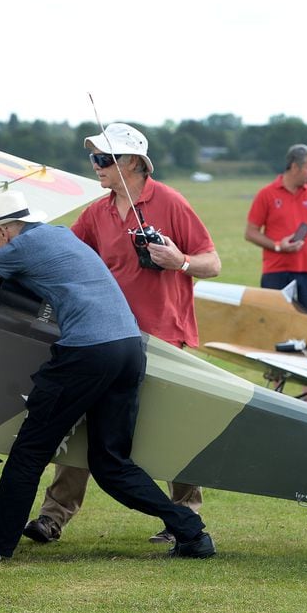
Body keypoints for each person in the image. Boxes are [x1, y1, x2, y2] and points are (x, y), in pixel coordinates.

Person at [0, 191, 215, 562]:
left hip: (86, 353)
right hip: (128, 350)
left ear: (6, 232)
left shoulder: (26, 246)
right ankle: (191, 532)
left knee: (30, 451)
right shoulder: (53, 235)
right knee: (110, 464)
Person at [24, 122, 221, 547]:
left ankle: (184, 516)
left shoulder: (170, 201)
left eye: (104, 159)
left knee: (175, 427)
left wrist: (179, 261)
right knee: (79, 422)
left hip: (166, 336)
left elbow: (213, 263)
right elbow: (67, 256)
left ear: (132, 163)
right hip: (109, 338)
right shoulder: (97, 212)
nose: (96, 166)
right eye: (95, 158)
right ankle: (53, 517)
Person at [245, 144, 307, 312]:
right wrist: (279, 246)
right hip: (276, 271)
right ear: (295, 167)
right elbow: (250, 233)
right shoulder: (267, 194)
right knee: (274, 322)